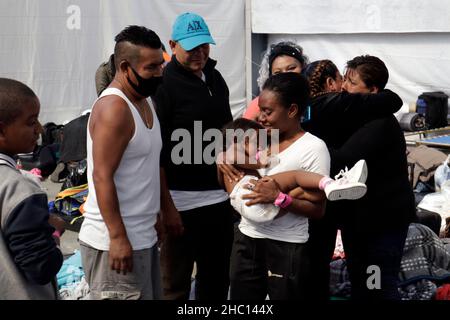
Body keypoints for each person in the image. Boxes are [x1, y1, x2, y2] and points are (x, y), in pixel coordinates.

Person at [219, 72, 329, 300]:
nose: (260, 117)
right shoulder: (260, 139)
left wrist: (280, 197)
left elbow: (317, 210)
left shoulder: (313, 148)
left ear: (292, 110)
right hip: (246, 240)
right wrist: (223, 159)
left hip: (286, 246)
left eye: (268, 112)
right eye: (260, 110)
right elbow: (237, 182)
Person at [78, 25, 168, 300]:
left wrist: (161, 211)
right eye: (151, 67)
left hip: (142, 238)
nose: (159, 73)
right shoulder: (114, 108)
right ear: (126, 67)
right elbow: (101, 176)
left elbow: (150, 166)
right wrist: (117, 237)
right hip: (114, 246)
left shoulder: (145, 100)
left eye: (161, 65)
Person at [154, 12, 234, 300]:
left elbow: (226, 130)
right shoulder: (163, 85)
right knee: (174, 284)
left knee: (216, 280)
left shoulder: (215, 77)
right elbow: (157, 152)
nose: (200, 53)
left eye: (204, 46)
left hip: (219, 200)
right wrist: (167, 208)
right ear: (172, 44)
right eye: (192, 48)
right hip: (181, 202)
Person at [218, 118, 368, 225]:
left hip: (261, 211)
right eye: (258, 143)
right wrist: (263, 159)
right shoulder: (230, 154)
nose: (261, 148)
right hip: (255, 204)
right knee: (295, 176)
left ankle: (334, 188)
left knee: (298, 192)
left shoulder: (228, 166)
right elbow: (258, 163)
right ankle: (330, 183)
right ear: (244, 141)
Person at [0, 78, 63, 299]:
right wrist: (54, 232)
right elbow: (41, 267)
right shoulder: (20, 188)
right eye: (31, 122)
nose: (39, 129)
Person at [243, 41, 308, 121]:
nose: (285, 75)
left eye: (291, 68)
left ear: (304, 66)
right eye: (277, 72)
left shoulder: (315, 97)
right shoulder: (260, 104)